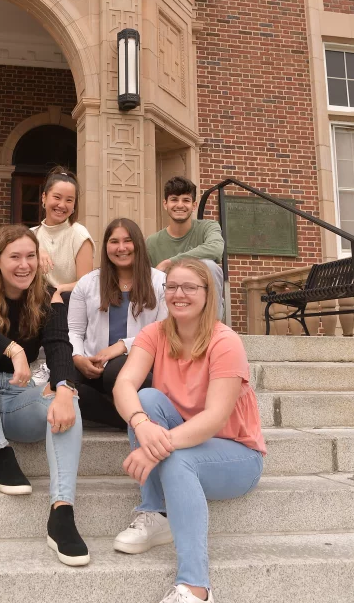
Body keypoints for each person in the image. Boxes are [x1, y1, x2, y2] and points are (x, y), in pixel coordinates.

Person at [111, 258, 266, 603]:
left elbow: (215, 418)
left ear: (207, 294)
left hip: (236, 454)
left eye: (189, 287)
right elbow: (123, 385)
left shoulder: (225, 341)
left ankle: (197, 594)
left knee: (177, 457)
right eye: (172, 287)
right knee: (146, 399)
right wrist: (143, 425)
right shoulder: (155, 333)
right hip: (183, 439)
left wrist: (152, 449)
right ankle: (156, 512)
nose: (179, 294)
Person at [0, 225, 89, 567]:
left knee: (67, 400)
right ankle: (0, 455)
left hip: (15, 398)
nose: (24, 265)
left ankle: (62, 512)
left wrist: (66, 388)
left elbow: (58, 346)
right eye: (14, 257)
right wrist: (12, 349)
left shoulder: (48, 294)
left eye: (30, 256)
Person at [68, 218, 167, 429]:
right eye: (114, 241)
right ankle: (123, 419)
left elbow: (164, 331)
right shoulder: (88, 283)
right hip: (93, 366)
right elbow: (74, 331)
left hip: (140, 370)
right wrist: (78, 358)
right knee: (65, 384)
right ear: (106, 247)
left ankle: (125, 412)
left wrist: (122, 346)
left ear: (138, 244)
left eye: (127, 241)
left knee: (117, 369)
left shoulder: (160, 282)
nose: (121, 248)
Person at [146, 176, 225, 319]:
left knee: (210, 266)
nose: (180, 205)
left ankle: (213, 330)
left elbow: (216, 248)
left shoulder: (208, 227)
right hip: (168, 311)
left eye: (186, 200)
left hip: (203, 310)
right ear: (165, 204)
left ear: (194, 205)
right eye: (174, 199)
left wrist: (169, 262)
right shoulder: (152, 243)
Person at [31, 167, 95, 302]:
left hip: (66, 306)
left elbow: (85, 283)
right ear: (44, 197)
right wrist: (35, 250)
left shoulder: (79, 235)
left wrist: (57, 289)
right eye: (57, 197)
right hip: (32, 307)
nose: (62, 205)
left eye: (69, 200)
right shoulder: (31, 235)